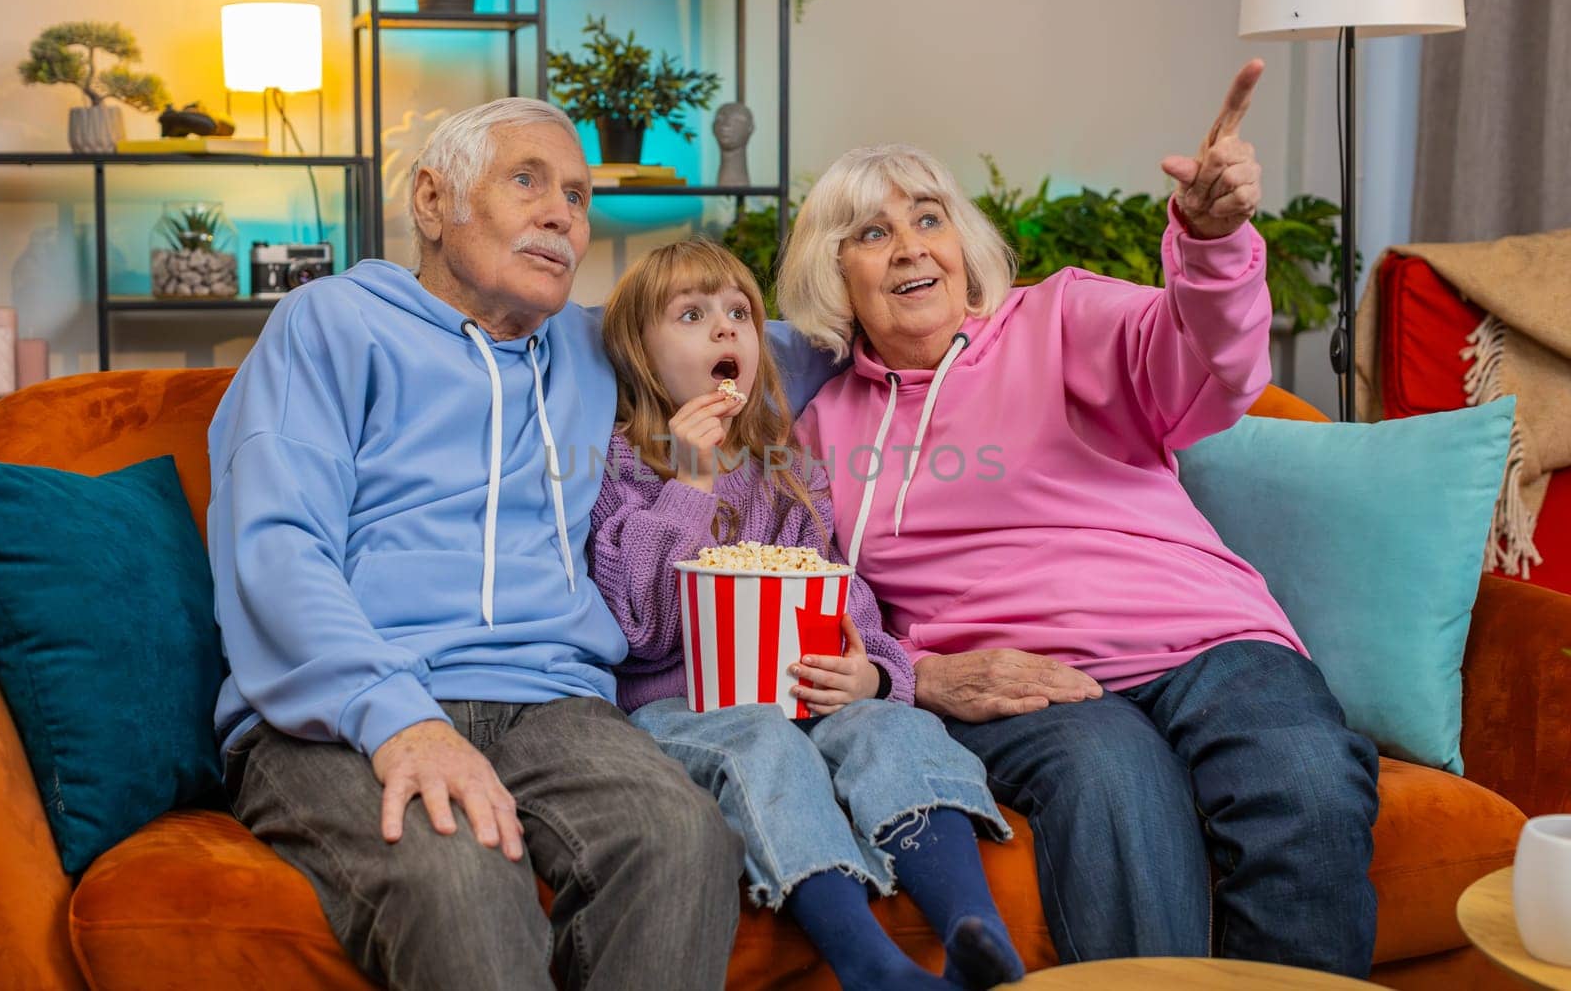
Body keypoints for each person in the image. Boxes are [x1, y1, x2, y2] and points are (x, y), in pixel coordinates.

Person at [778, 60, 1382, 977]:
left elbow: (1203, 362)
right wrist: (925, 677)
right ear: (834, 274)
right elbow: (819, 615)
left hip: (1204, 638)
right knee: (1114, 786)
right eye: (872, 232)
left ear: (963, 242)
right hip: (1022, 682)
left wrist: (1212, 242)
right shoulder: (821, 431)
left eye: (928, 218)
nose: (909, 247)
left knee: (1302, 777)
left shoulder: (1061, 315)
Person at [206, 98, 745, 991]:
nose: (561, 214)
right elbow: (277, 549)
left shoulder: (595, 345)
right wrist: (400, 718)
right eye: (527, 181)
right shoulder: (331, 324)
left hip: (555, 704)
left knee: (682, 840)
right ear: (431, 203)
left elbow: (766, 337)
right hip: (344, 705)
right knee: (457, 876)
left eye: (576, 196)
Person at [587, 236, 1025, 991]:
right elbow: (640, 627)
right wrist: (688, 486)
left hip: (802, 692)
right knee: (765, 744)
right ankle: (870, 965)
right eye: (691, 315)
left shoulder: (783, 470)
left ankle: (974, 939)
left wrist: (874, 675)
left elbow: (839, 591)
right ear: (638, 355)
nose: (726, 329)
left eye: (739, 314)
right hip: (683, 708)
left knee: (891, 728)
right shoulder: (620, 466)